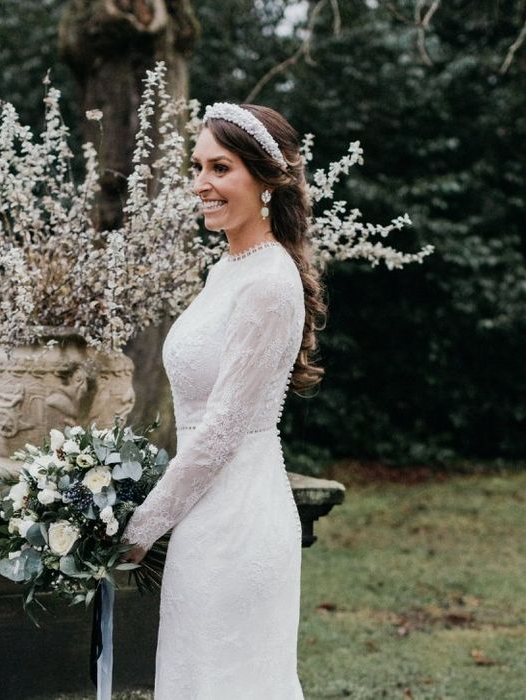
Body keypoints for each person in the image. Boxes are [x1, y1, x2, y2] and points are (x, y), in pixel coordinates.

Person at [121, 101, 326, 699]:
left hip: (238, 521)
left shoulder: (268, 283)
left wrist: (140, 526)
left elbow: (220, 431)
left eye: (220, 168)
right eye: (197, 166)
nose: (200, 185)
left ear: (266, 179)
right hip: (204, 515)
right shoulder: (226, 271)